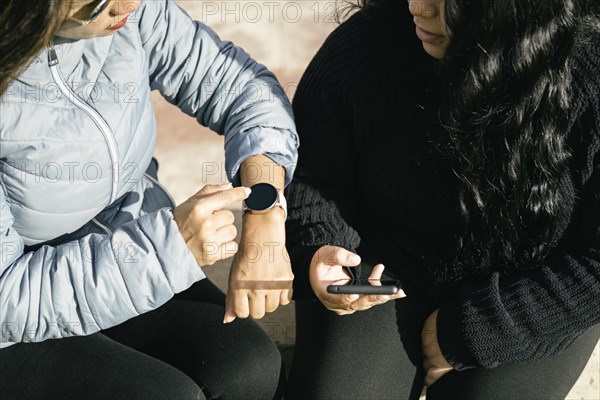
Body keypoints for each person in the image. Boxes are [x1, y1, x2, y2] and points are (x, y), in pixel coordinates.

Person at [284, 0, 600, 398]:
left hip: (535, 283)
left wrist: (473, 328)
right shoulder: (368, 43)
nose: (417, 6)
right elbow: (309, 172)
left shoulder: (590, 71)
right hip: (388, 263)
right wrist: (319, 245)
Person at [0, 0, 297, 398]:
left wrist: (264, 213)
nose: (129, 5)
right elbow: (8, 301)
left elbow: (243, 88)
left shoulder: (132, 11)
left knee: (248, 367)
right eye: (100, 2)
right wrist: (167, 250)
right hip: (18, 304)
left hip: (122, 234)